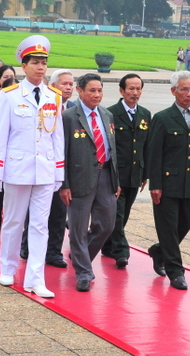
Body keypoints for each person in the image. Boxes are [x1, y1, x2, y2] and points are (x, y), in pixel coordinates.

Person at [0, 35, 65, 298]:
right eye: (35, 62)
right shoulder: (9, 96)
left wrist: (59, 172)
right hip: (17, 169)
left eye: (44, 62)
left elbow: (57, 137)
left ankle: (35, 277)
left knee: (40, 226)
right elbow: (0, 136)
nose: (40, 67)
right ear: (24, 66)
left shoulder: (53, 96)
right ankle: (7, 268)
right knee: (13, 221)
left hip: (44, 169)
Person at [146, 71, 190, 291]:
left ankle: (158, 251)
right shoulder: (163, 118)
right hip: (167, 183)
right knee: (168, 228)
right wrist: (155, 184)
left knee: (187, 220)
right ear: (173, 91)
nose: (189, 93)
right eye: (184, 89)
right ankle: (176, 272)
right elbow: (154, 154)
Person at [60, 73, 119, 292]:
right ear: (80, 90)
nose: (97, 95)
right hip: (78, 179)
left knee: (106, 225)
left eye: (100, 90)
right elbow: (62, 152)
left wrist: (116, 180)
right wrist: (64, 184)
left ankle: (80, 258)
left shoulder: (107, 115)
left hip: (105, 177)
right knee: (77, 228)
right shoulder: (68, 117)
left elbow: (113, 149)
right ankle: (84, 272)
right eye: (92, 90)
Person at [20, 68, 75, 268]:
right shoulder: (42, 104)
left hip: (63, 170)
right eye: (64, 84)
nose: (68, 88)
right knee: (34, 211)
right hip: (40, 166)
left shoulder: (75, 110)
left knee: (60, 213)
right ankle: (27, 246)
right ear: (53, 87)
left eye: (71, 84)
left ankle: (53, 252)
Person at [102, 73, 151, 268]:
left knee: (124, 214)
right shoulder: (110, 113)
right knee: (118, 213)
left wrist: (145, 173)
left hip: (135, 173)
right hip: (116, 174)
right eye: (131, 88)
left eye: (138, 88)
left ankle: (104, 244)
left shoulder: (145, 114)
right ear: (121, 91)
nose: (135, 92)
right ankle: (122, 252)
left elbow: (147, 146)